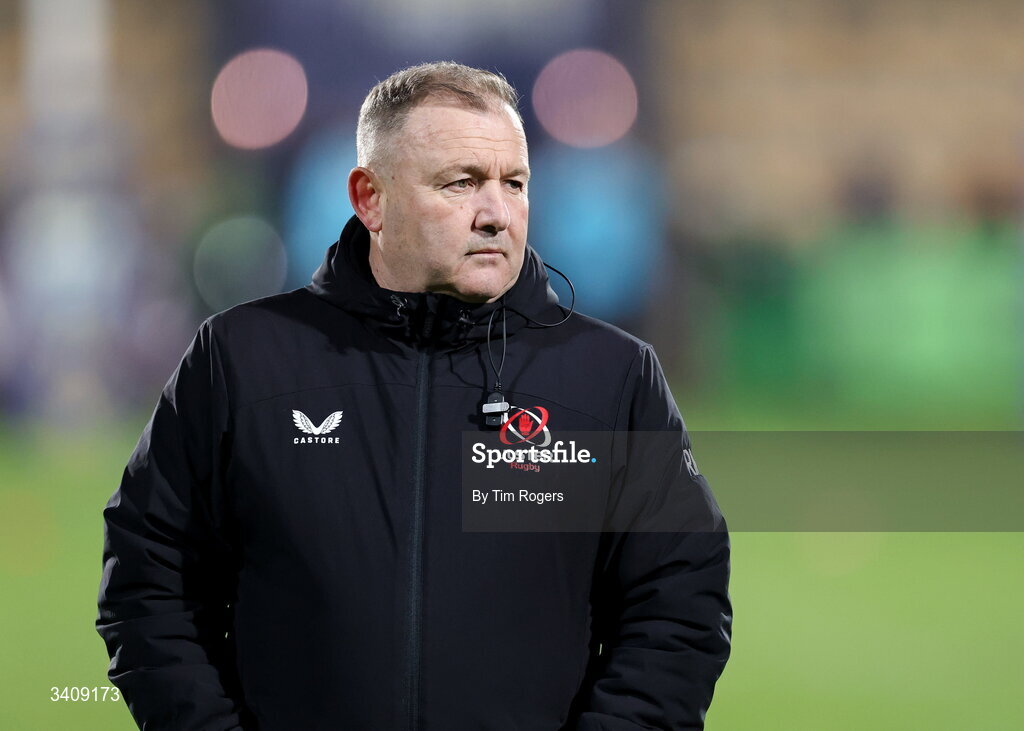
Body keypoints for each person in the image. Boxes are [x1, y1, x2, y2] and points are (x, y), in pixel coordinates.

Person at [97, 61, 732, 730]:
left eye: (513, 183)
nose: (495, 213)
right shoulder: (242, 361)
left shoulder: (610, 377)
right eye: (460, 183)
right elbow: (149, 583)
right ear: (370, 198)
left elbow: (678, 603)